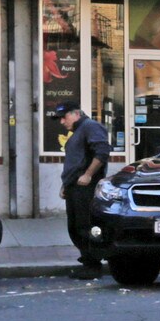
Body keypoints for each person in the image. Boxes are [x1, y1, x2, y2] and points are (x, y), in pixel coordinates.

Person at [56, 102, 111, 280]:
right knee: (74, 226)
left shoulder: (91, 126)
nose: (62, 122)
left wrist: (88, 174)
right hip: (74, 186)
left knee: (84, 225)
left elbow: (102, 152)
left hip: (85, 187)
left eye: (65, 117)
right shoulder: (78, 132)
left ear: (76, 113)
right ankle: (87, 262)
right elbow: (73, 163)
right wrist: (65, 185)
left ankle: (93, 265)